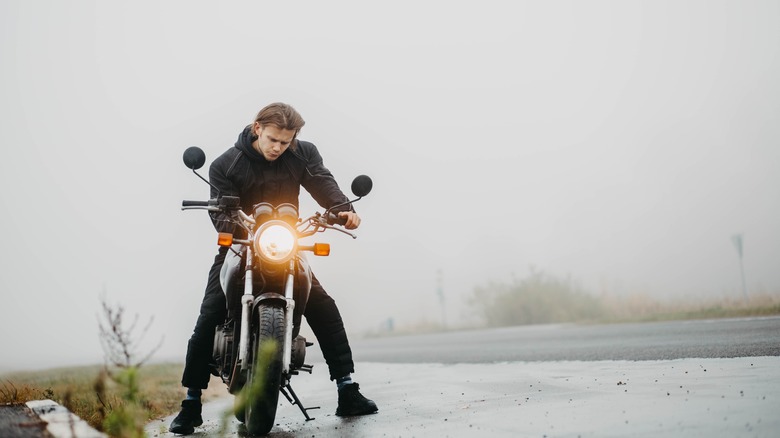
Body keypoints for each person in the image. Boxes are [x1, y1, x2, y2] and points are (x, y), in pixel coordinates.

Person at [170, 102, 378, 435]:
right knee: (209, 312)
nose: (278, 148)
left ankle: (347, 389)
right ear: (257, 129)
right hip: (241, 245)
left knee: (323, 306)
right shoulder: (227, 164)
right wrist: (227, 216)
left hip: (284, 245)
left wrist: (342, 209)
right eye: (272, 140)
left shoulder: (303, 153)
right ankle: (191, 403)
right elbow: (220, 214)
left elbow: (323, 183)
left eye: (285, 142)